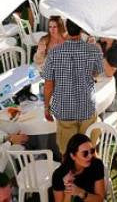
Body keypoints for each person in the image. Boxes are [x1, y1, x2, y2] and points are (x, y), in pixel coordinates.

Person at [42, 19, 105, 155]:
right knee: (89, 152)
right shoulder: (93, 50)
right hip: (87, 105)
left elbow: (48, 85)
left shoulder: (54, 53)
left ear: (65, 28)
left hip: (64, 108)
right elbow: (96, 73)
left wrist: (46, 107)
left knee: (67, 153)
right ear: (81, 29)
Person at [52, 133, 107, 202]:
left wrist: (80, 192)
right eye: (85, 153)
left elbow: (100, 199)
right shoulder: (59, 175)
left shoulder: (96, 164)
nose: (90, 156)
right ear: (73, 156)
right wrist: (68, 191)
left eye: (92, 151)